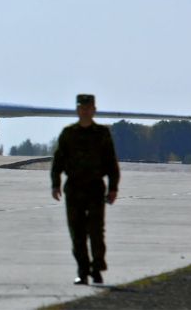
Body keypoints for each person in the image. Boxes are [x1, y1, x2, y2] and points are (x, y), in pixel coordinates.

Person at [50, 94, 120, 285]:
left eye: (88, 107)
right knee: (77, 233)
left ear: (94, 110)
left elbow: (111, 162)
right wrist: (55, 184)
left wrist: (113, 188)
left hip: (95, 188)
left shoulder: (102, 134)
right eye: (82, 107)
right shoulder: (68, 133)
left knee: (96, 231)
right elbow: (58, 161)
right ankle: (83, 270)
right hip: (74, 188)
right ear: (77, 110)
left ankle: (97, 268)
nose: (85, 110)